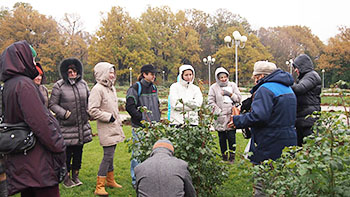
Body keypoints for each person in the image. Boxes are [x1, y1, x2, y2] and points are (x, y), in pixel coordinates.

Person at [0, 40, 66, 196]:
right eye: (32, 59)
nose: (34, 63)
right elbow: (39, 122)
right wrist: (58, 144)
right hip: (37, 160)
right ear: (22, 59)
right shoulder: (24, 85)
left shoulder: (8, 86)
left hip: (24, 158)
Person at [231, 61, 297, 196]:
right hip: (289, 139)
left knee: (262, 183)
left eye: (255, 77)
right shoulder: (288, 88)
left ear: (260, 76)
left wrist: (237, 120)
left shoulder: (265, 89)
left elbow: (259, 116)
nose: (255, 80)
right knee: (284, 181)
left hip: (269, 142)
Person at [49, 57, 92, 188]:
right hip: (66, 127)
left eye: (75, 71)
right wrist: (64, 113)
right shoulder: (59, 86)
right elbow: (52, 104)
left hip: (82, 126)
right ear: (65, 72)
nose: (73, 74)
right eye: (70, 71)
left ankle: (76, 175)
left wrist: (89, 111)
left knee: (79, 152)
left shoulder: (83, 84)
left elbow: (90, 100)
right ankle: (66, 178)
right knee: (67, 154)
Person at [88, 62, 125, 196]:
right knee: (107, 155)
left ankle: (110, 180)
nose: (112, 74)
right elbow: (92, 110)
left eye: (113, 72)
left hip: (114, 126)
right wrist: (108, 117)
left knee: (111, 155)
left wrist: (116, 119)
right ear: (102, 73)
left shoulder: (111, 88)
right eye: (109, 72)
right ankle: (100, 185)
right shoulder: (98, 89)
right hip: (106, 127)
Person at [125, 64, 161, 187]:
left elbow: (157, 105)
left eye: (154, 74)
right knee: (138, 154)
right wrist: (141, 119)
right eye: (151, 74)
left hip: (154, 127)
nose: (154, 76)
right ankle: (136, 180)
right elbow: (129, 107)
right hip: (140, 128)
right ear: (144, 74)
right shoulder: (135, 88)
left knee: (151, 154)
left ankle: (148, 178)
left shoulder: (154, 88)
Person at [208, 67, 241, 163]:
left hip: (231, 116)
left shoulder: (232, 85)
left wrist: (230, 94)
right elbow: (210, 101)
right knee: (222, 138)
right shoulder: (213, 88)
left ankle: (232, 156)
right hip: (220, 117)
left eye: (225, 77)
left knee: (231, 137)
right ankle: (224, 156)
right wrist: (218, 111)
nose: (223, 79)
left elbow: (239, 99)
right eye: (221, 77)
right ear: (217, 78)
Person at [291, 54, 321, 146]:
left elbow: (300, 89)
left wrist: (285, 82)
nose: (296, 70)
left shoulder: (312, 76)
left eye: (297, 67)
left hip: (308, 120)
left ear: (302, 66)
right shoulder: (306, 77)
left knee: (308, 146)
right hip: (304, 119)